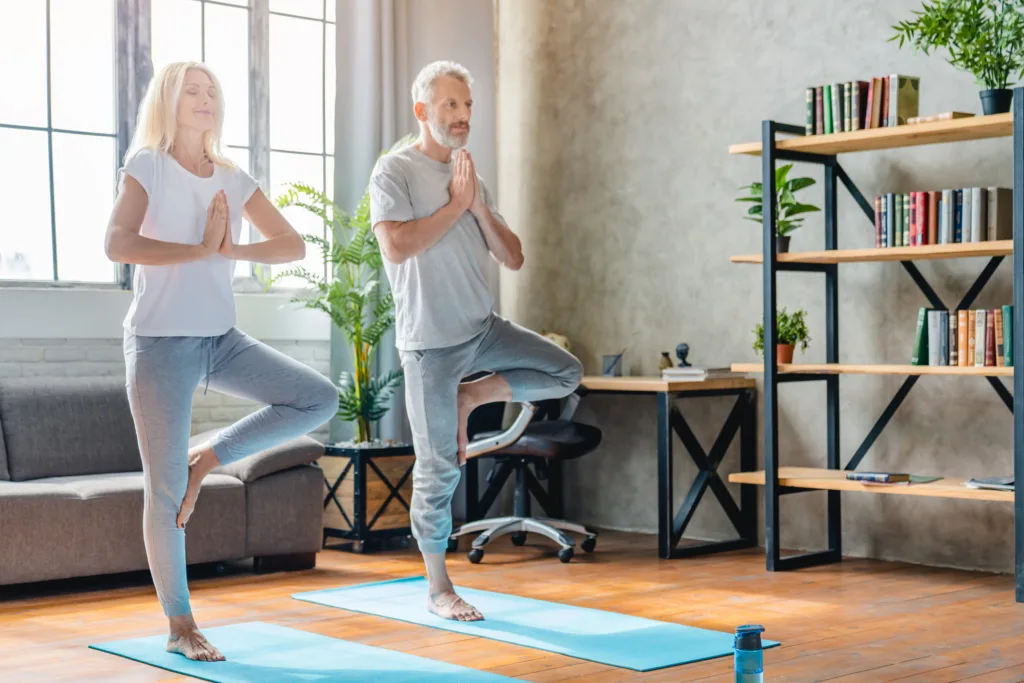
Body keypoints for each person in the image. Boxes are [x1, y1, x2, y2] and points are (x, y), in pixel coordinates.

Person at [104, 61, 339, 662]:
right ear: (169, 100)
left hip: (221, 338)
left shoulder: (232, 177)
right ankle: (181, 626)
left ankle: (206, 458)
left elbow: (292, 244)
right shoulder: (147, 166)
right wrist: (198, 250)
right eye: (192, 89)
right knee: (164, 492)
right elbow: (118, 244)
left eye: (212, 90)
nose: (205, 97)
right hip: (160, 345)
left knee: (317, 399)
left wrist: (232, 247)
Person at [369, 60, 584, 622]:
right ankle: (440, 586)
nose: (462, 116)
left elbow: (512, 257)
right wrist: (454, 207)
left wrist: (478, 206)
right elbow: (396, 247)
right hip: (430, 344)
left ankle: (473, 396)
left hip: (483, 330)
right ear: (423, 111)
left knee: (566, 373)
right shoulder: (393, 172)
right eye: (450, 106)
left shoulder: (472, 178)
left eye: (467, 106)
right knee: (439, 466)